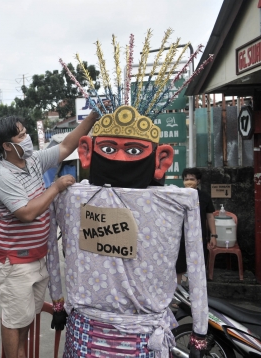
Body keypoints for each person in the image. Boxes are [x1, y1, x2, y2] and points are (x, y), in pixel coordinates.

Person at [47, 104, 210, 358]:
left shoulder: (180, 201)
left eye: (133, 150)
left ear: (161, 159)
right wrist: (199, 332)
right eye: (110, 149)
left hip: (136, 337)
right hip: (90, 332)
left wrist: (200, 331)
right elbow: (50, 245)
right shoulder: (70, 196)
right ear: (87, 152)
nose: (120, 159)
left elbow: (197, 262)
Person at [0, 108, 100, 358]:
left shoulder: (34, 160)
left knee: (26, 318)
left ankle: (21, 354)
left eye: (26, 132)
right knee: (13, 320)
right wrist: (56, 187)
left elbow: (67, 145)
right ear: (7, 145)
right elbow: (27, 213)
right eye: (21, 136)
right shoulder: (4, 176)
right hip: (14, 262)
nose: (26, 138)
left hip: (37, 258)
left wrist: (91, 119)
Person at [176, 167, 217, 284]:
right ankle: (177, 297)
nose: (189, 181)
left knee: (198, 268)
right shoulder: (178, 196)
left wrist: (213, 235)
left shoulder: (204, 197)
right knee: (179, 268)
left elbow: (210, 217)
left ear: (198, 181)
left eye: (192, 179)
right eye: (186, 179)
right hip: (181, 238)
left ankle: (197, 297)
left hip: (199, 239)